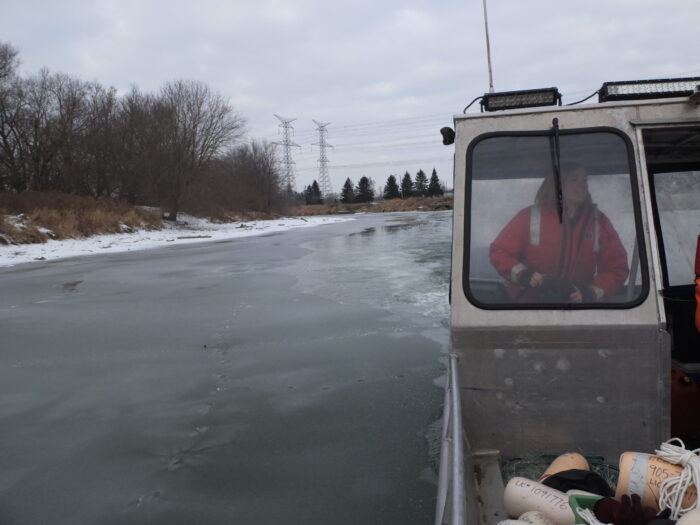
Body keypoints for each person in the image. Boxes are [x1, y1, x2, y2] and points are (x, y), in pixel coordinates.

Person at [489, 162, 629, 303]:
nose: (583, 185)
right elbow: (499, 251)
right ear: (557, 185)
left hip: (577, 311)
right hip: (528, 310)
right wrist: (524, 275)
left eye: (584, 180)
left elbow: (617, 268)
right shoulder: (529, 216)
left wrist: (590, 293)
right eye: (574, 180)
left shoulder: (599, 222)